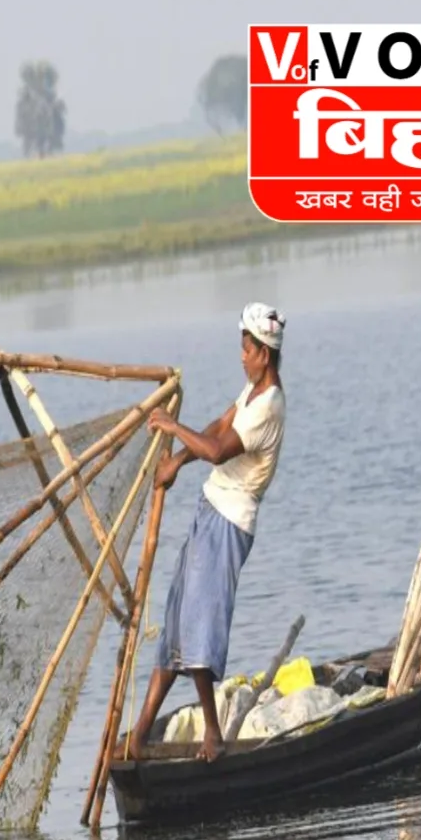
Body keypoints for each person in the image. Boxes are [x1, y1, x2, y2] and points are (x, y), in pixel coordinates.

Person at [128, 303, 287, 761]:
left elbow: (217, 450)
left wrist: (172, 426)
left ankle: (213, 735)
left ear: (264, 354)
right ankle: (139, 736)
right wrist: (177, 461)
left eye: (246, 349)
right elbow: (219, 426)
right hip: (209, 509)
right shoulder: (253, 391)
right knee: (177, 622)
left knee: (199, 624)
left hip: (229, 523)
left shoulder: (269, 406)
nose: (241, 356)